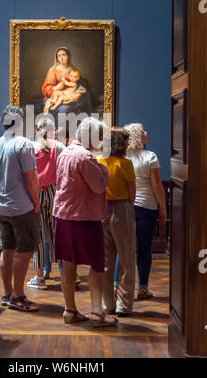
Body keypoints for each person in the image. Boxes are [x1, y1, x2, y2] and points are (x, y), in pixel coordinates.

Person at [53, 117, 117, 327]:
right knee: (98, 265)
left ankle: (70, 310)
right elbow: (98, 187)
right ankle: (98, 313)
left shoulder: (66, 153)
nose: (101, 140)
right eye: (100, 136)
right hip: (84, 217)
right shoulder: (86, 157)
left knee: (68, 265)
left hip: (63, 215)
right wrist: (104, 171)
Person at [0, 105, 41, 312]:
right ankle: (18, 296)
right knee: (25, 251)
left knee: (8, 250)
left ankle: (7, 292)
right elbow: (30, 177)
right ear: (20, 122)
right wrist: (36, 202)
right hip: (22, 206)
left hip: (3, 207)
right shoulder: (24, 144)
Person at [124, 123, 167, 300]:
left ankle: (119, 287)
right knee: (144, 249)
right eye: (143, 131)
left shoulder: (123, 157)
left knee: (124, 249)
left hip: (127, 207)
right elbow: (157, 186)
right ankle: (142, 288)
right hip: (147, 208)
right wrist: (163, 209)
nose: (146, 133)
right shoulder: (150, 157)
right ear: (138, 136)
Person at [97, 127, 137, 317]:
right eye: (127, 140)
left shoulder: (99, 161)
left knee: (106, 261)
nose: (128, 144)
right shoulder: (126, 164)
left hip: (102, 210)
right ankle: (124, 304)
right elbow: (132, 194)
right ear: (121, 143)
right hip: (122, 210)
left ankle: (108, 304)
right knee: (127, 260)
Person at [26, 117, 65, 289]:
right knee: (58, 233)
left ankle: (40, 277)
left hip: (37, 193)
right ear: (53, 130)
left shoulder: (31, 147)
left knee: (39, 237)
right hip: (54, 191)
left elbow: (27, 174)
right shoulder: (60, 147)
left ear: (37, 130)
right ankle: (67, 273)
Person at [41, 47, 91, 114]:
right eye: (59, 56)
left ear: (68, 56)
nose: (61, 58)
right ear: (57, 58)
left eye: (63, 55)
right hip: (55, 96)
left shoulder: (72, 70)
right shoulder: (52, 70)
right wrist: (55, 88)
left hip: (69, 96)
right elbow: (46, 88)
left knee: (69, 108)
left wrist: (77, 95)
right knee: (63, 109)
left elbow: (80, 84)